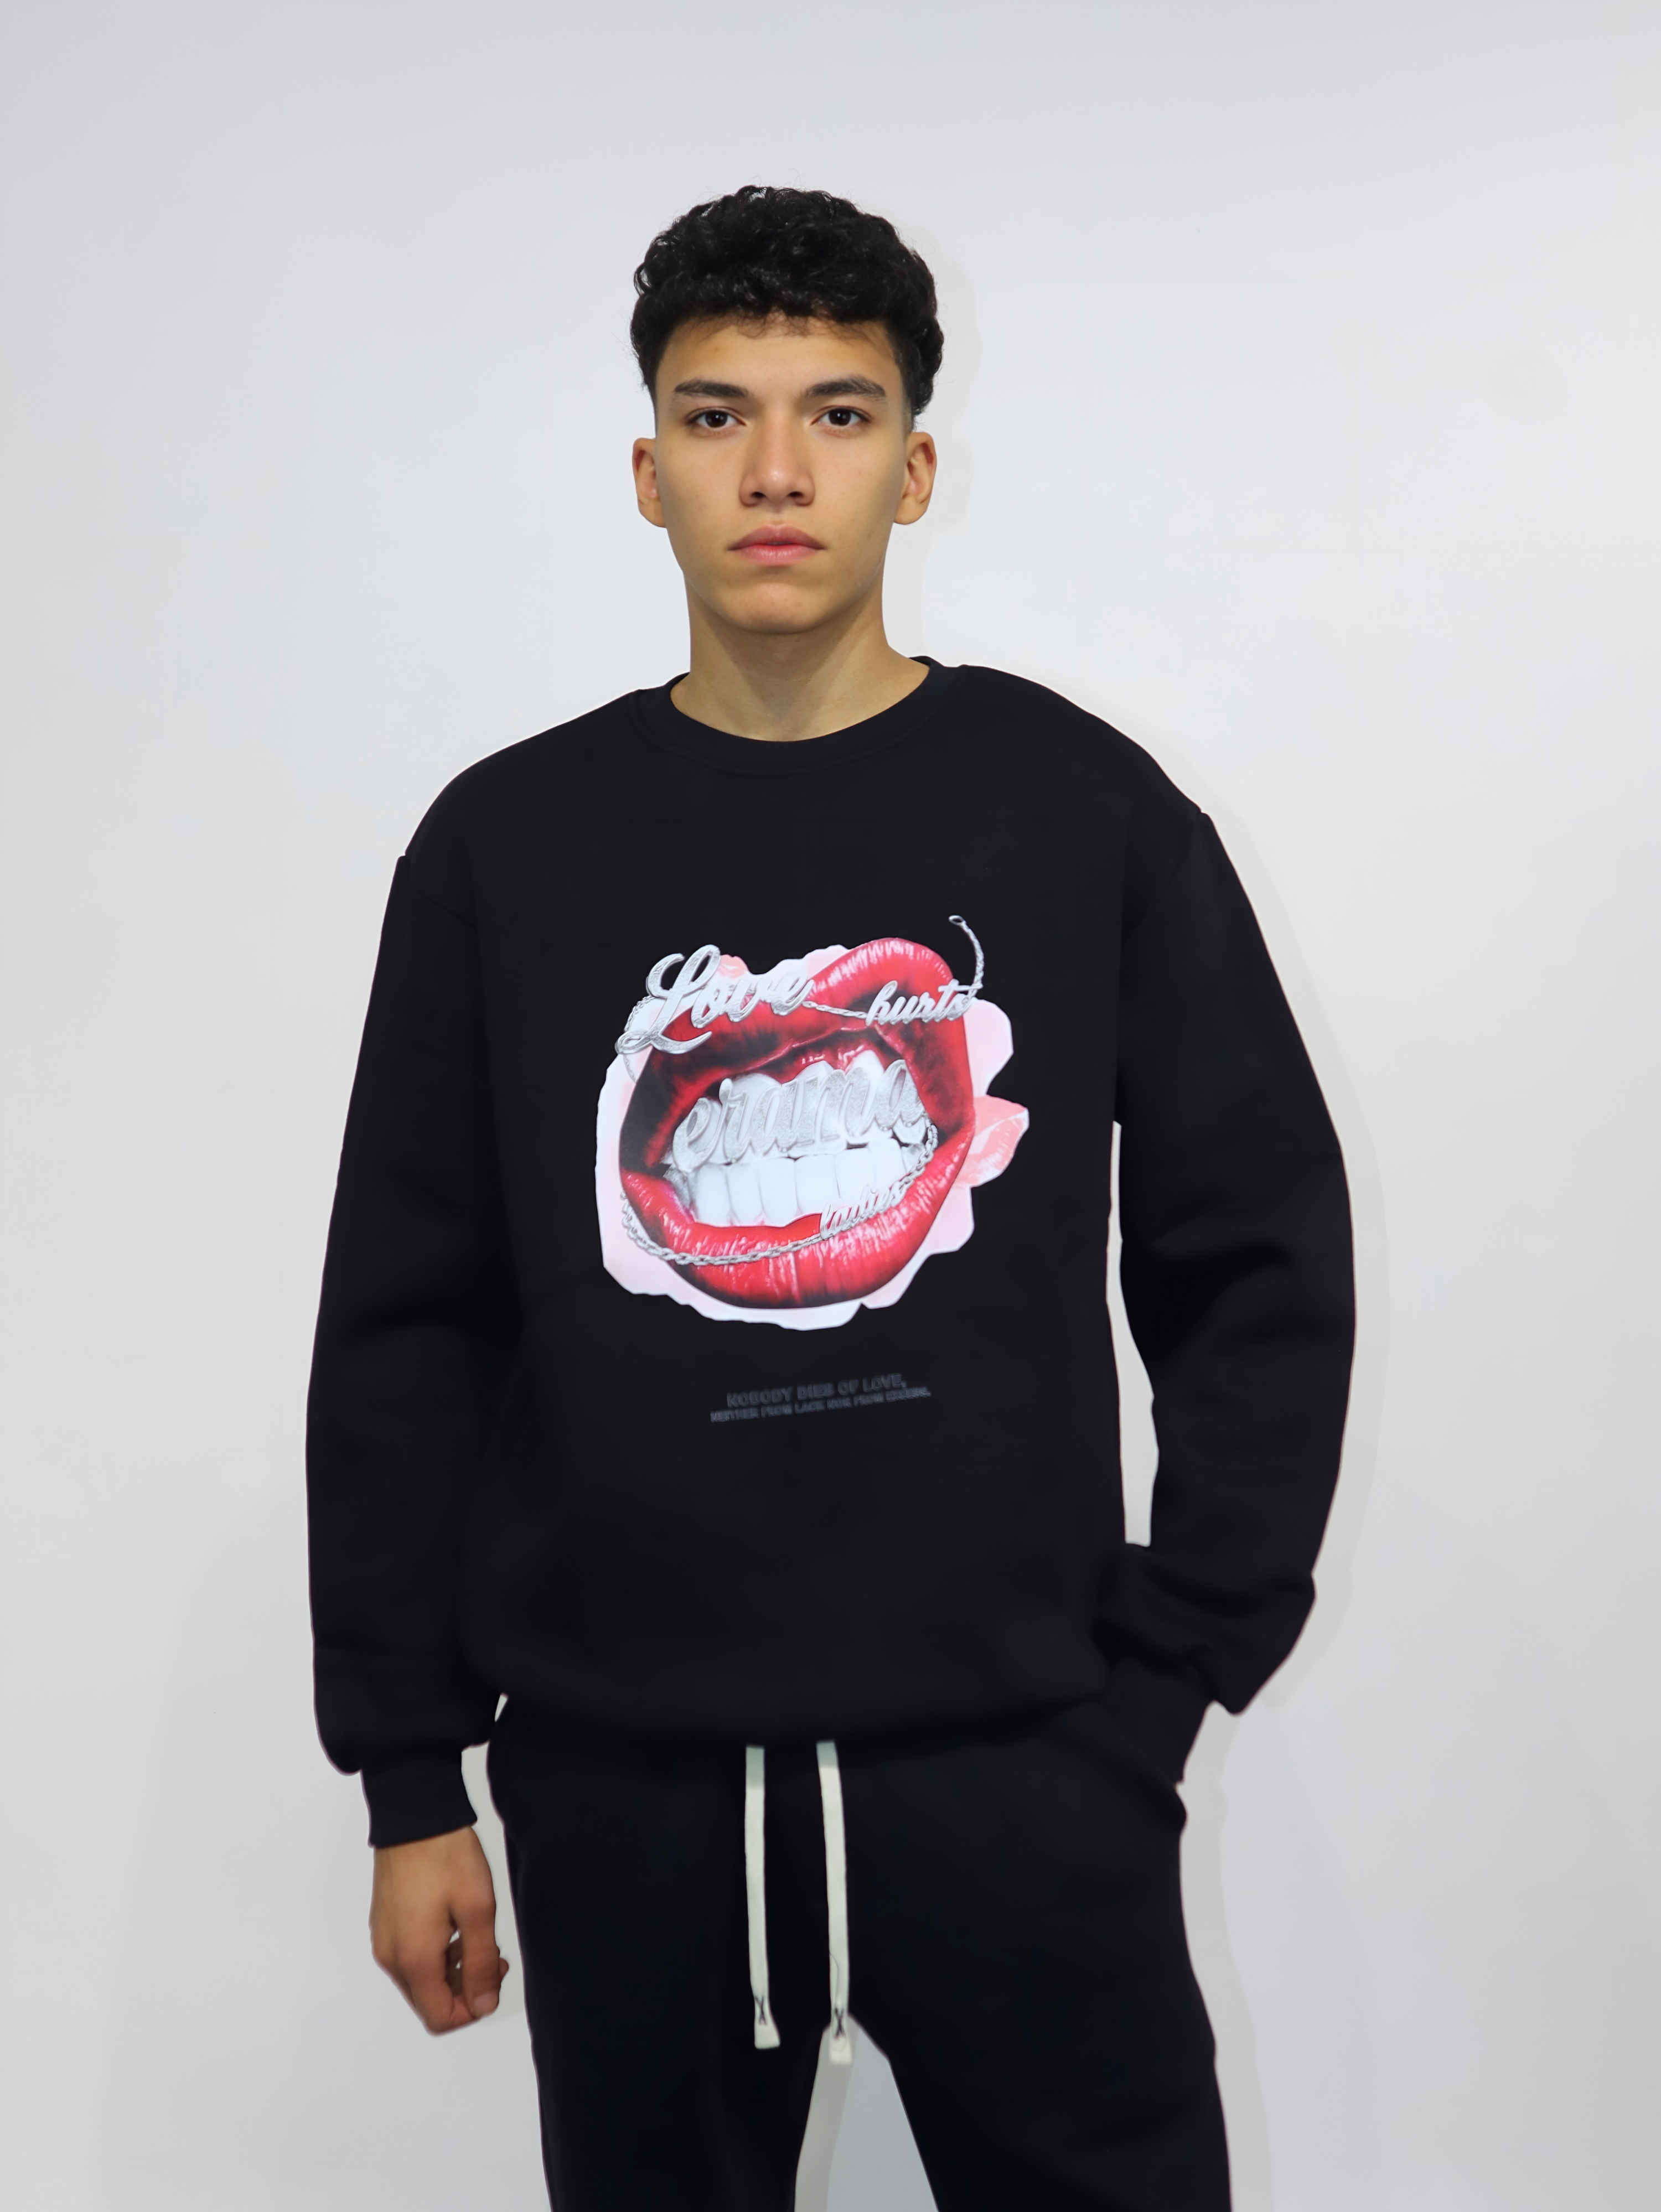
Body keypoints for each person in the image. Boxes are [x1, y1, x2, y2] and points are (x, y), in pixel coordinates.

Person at [307, 184, 1354, 2212]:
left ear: (916, 465)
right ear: (647, 471)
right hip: (628, 1794)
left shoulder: (1083, 808)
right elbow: (409, 1324)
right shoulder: (504, 849)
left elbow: (1257, 1260)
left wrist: (1158, 1686)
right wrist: (410, 1773)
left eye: (838, 414)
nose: (776, 471)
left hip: (1019, 1774)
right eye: (718, 416)